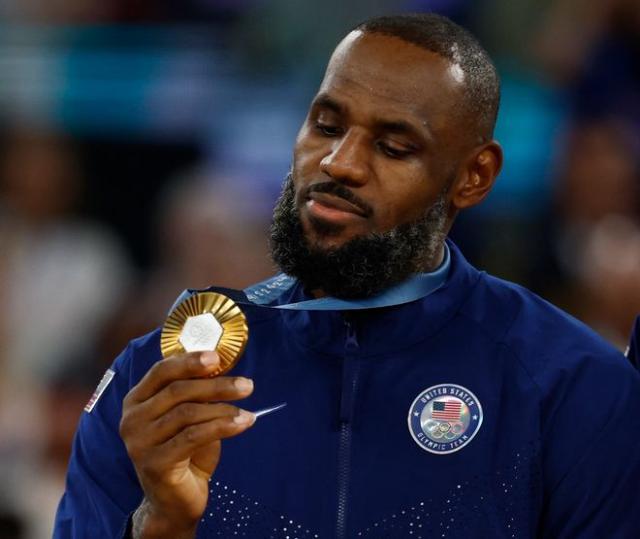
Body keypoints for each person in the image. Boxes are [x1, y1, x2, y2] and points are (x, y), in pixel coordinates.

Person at [54, 13, 640, 539]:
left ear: (474, 176)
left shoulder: (571, 388)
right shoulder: (159, 384)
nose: (340, 164)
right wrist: (160, 526)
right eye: (327, 127)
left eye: (393, 146)